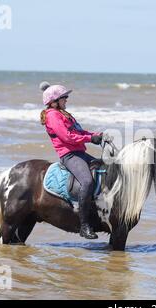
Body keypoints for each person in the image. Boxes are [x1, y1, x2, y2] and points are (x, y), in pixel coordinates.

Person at [39, 81, 103, 239]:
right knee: (87, 182)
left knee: (105, 172)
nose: (66, 100)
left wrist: (97, 135)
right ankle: (84, 225)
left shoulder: (64, 114)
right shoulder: (53, 116)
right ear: (54, 101)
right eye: (64, 97)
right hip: (69, 155)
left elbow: (79, 131)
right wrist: (90, 138)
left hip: (80, 153)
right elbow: (67, 137)